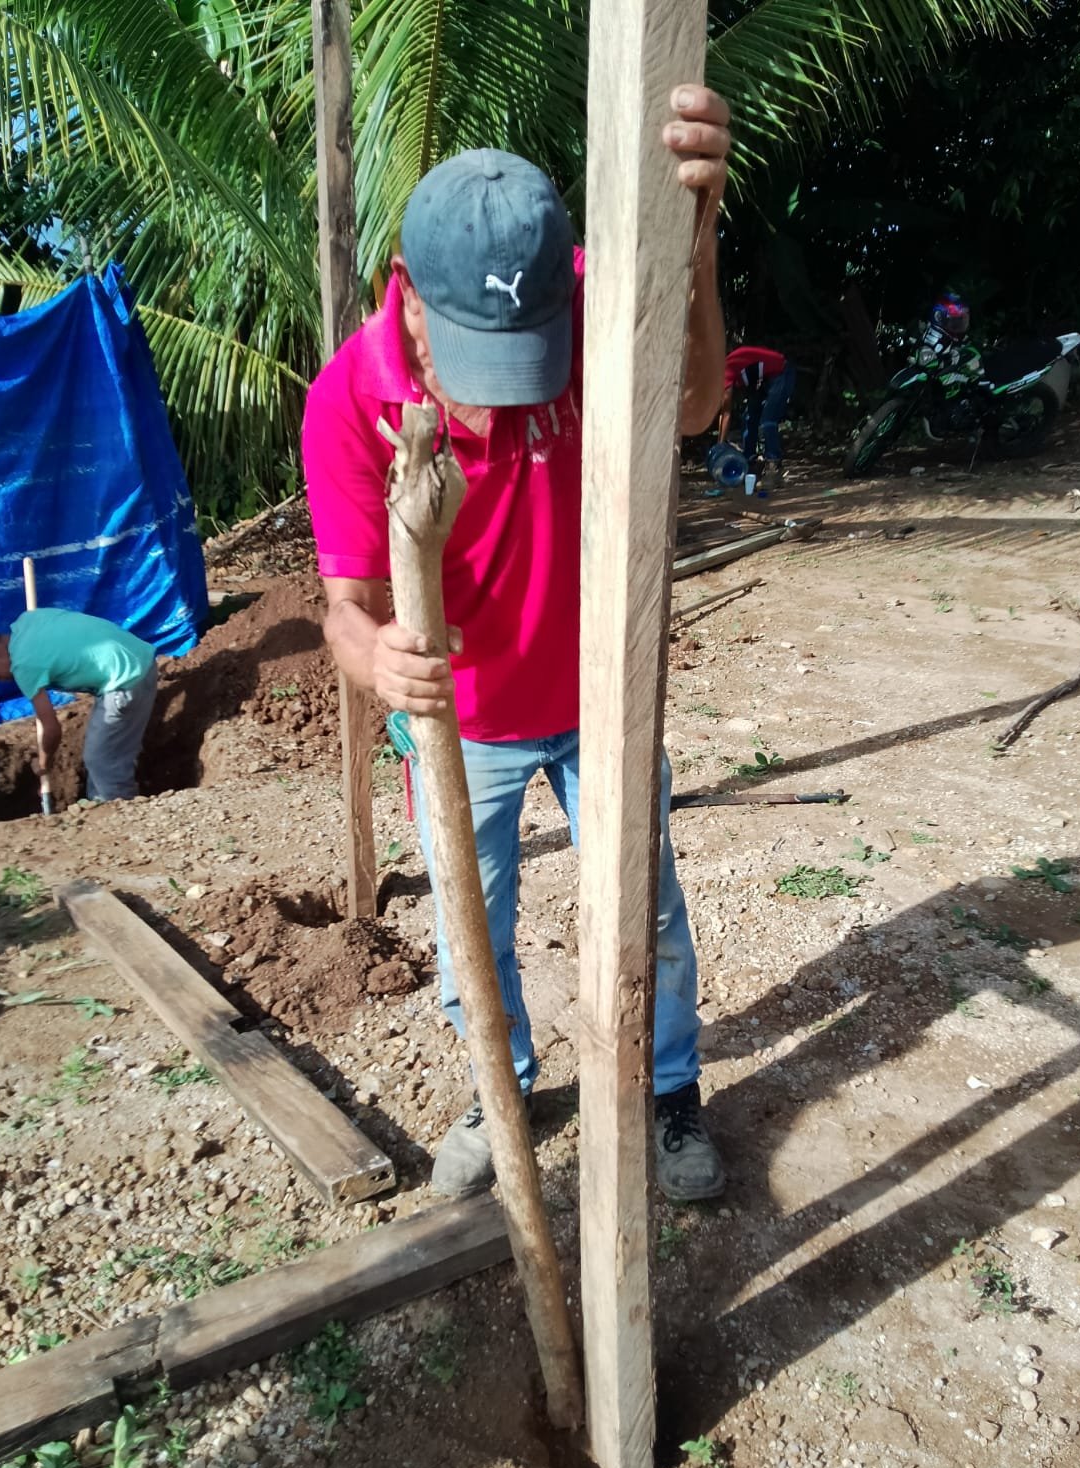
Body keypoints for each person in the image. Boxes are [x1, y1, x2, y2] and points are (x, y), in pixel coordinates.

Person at [303, 86, 731, 1203]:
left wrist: (697, 238)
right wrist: (372, 657)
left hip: (600, 686)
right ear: (408, 301)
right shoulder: (349, 401)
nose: (502, 397)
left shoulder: (589, 301)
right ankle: (501, 1088)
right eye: (476, 359)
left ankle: (666, 1087)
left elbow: (691, 408)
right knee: (469, 924)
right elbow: (343, 603)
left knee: (647, 906)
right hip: (465, 722)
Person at [0, 610, 158, 802]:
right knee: (107, 752)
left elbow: (51, 728)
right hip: (139, 658)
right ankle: (101, 804)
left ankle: (119, 810)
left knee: (100, 758)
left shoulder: (23, 665)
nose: (1, 680)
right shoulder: (27, 621)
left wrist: (44, 762)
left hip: (124, 681)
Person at [718, 343, 796, 483]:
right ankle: (750, 461)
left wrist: (720, 444)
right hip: (765, 378)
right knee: (749, 417)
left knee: (768, 420)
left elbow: (726, 413)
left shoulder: (726, 371)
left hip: (781, 372)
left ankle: (774, 465)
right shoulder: (733, 369)